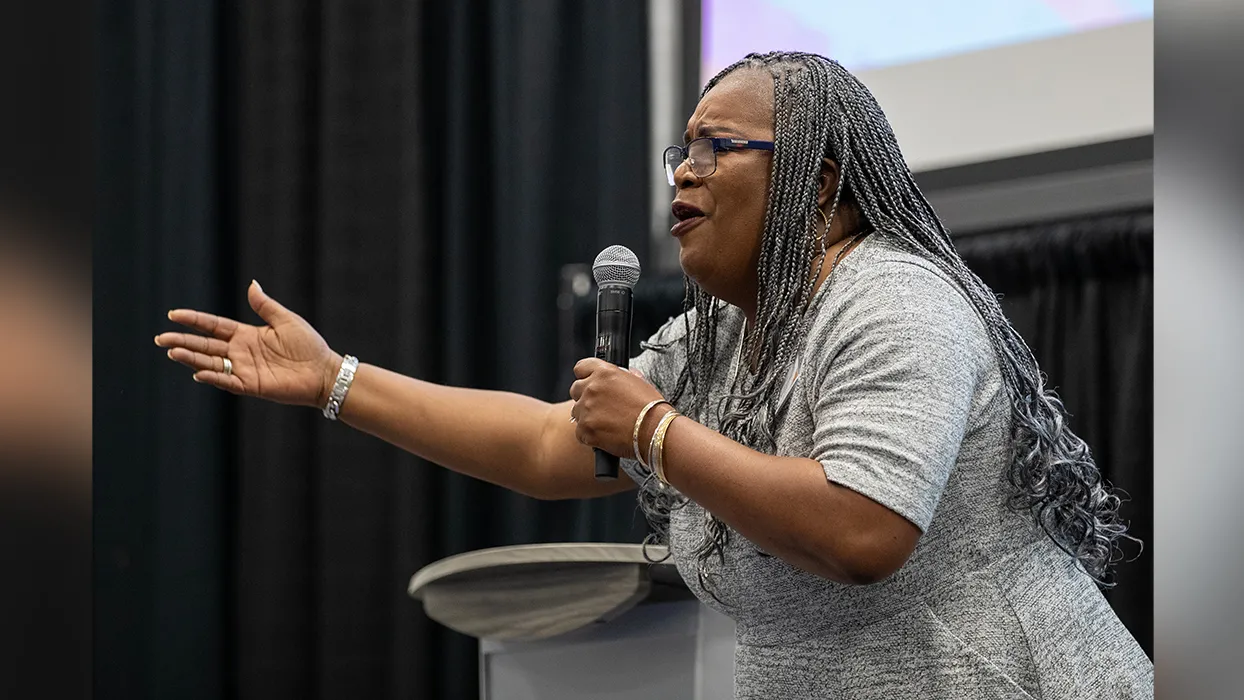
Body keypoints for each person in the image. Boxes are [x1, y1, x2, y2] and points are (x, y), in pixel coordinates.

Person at [155, 51, 1152, 698]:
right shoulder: (720, 335)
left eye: (719, 149)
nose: (680, 171)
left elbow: (860, 529)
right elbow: (556, 445)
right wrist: (336, 379)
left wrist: (656, 433)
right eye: (682, 150)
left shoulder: (894, 303)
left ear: (820, 181)